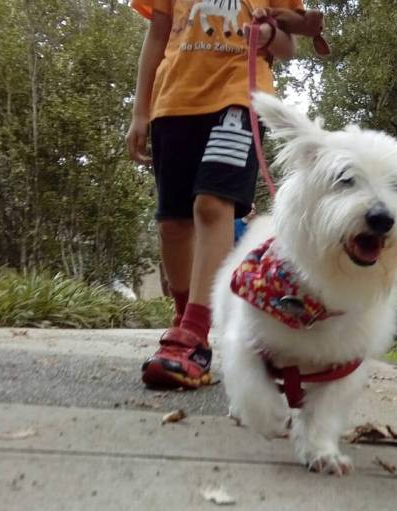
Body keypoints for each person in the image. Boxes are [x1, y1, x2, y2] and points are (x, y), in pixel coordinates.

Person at [126, 0, 299, 389]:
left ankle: (194, 334)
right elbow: (156, 36)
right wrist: (140, 111)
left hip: (240, 97)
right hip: (172, 103)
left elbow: (290, 44)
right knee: (172, 223)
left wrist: (270, 35)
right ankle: (187, 321)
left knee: (211, 203)